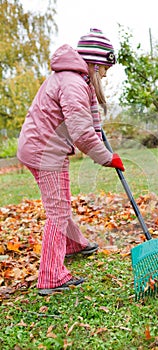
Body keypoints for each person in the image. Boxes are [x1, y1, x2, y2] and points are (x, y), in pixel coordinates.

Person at [17, 28, 125, 296]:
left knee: (61, 203)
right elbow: (80, 132)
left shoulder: (75, 80)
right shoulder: (73, 83)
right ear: (94, 63)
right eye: (104, 70)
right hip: (45, 151)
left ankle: (74, 244)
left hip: (45, 147)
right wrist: (106, 157)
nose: (105, 76)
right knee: (58, 211)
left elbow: (90, 119)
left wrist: (100, 139)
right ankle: (51, 276)